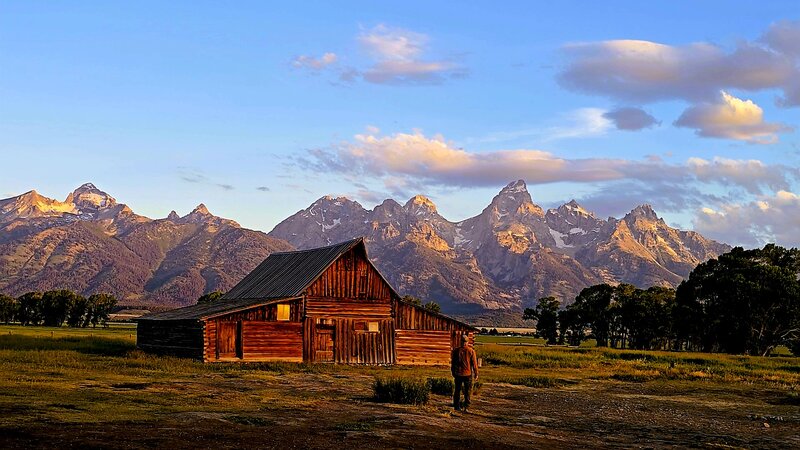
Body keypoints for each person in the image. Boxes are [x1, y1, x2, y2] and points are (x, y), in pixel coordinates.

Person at [451, 333, 478, 412]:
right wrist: (476, 373)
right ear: (467, 342)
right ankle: (467, 407)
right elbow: (474, 364)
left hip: (458, 374)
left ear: (460, 341)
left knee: (457, 391)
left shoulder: (456, 351)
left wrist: (453, 372)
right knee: (467, 391)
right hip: (467, 374)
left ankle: (456, 406)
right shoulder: (471, 351)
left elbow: (453, 363)